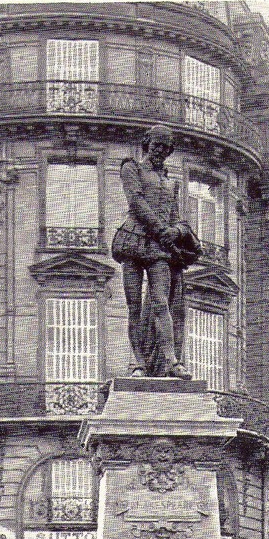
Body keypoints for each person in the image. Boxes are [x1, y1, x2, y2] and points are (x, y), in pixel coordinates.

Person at [112, 125, 201, 378]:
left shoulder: (170, 182)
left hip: (158, 247)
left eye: (165, 147)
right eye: (156, 145)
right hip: (133, 240)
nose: (160, 151)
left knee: (162, 304)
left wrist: (178, 231)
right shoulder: (131, 168)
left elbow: (177, 217)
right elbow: (136, 202)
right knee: (134, 307)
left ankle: (172, 361)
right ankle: (139, 363)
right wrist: (162, 229)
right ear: (147, 144)